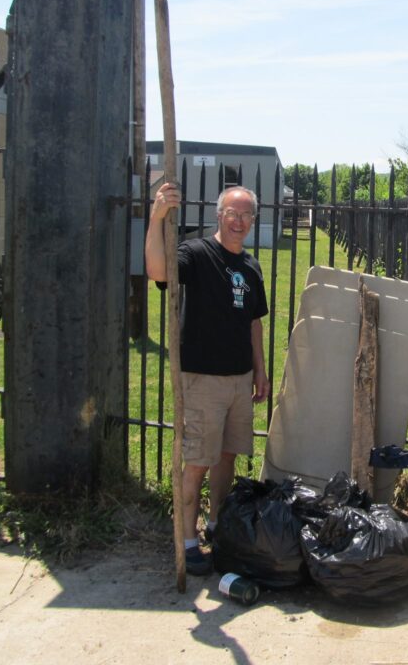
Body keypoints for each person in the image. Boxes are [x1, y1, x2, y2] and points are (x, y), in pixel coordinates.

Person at [145, 182, 270, 576]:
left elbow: (254, 323)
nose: (239, 221)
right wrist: (157, 217)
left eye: (246, 214)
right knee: (197, 462)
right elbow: (158, 271)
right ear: (219, 215)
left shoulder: (250, 266)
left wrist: (260, 371)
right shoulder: (195, 254)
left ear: (253, 220)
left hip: (239, 380)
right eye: (232, 213)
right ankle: (186, 540)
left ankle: (217, 526)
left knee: (227, 457)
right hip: (202, 379)